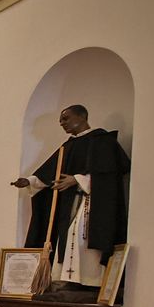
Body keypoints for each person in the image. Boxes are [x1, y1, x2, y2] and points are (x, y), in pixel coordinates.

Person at [10, 105, 130, 289]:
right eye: (60, 120)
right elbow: (50, 170)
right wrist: (30, 181)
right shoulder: (69, 146)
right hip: (71, 204)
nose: (61, 123)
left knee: (85, 239)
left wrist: (77, 180)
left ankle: (92, 281)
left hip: (94, 204)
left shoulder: (103, 141)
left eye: (65, 118)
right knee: (68, 238)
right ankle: (70, 280)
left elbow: (110, 175)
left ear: (82, 117)